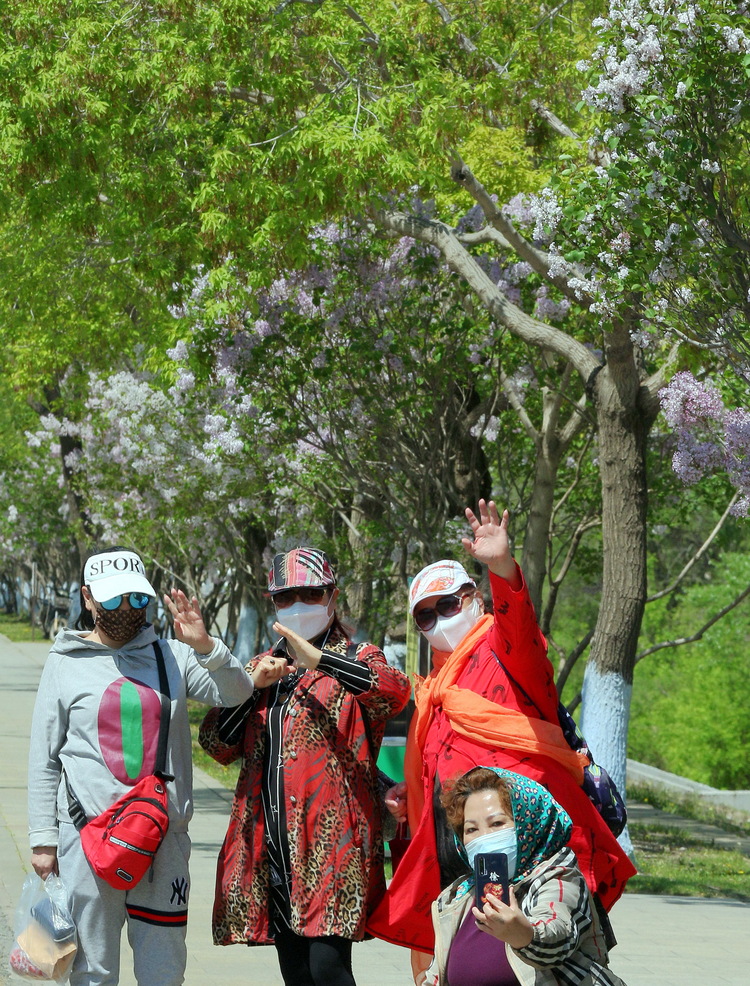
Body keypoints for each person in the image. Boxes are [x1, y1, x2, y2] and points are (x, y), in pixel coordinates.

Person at [367, 499, 635, 977]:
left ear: (474, 598)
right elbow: (440, 769)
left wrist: (502, 568)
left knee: (529, 960)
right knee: (454, 965)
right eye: (425, 617)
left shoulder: (506, 653)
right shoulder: (434, 690)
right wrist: (412, 796)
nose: (439, 620)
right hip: (456, 854)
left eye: (447, 604)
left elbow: (521, 629)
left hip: (524, 849)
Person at [28, 546, 256, 986]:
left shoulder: (172, 655)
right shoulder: (65, 661)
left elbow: (237, 692)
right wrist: (43, 840)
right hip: (87, 839)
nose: (126, 610)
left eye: (136, 598)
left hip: (162, 843)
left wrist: (206, 646)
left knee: (163, 970)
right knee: (91, 970)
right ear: (88, 598)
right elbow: (44, 756)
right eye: (112, 600)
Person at [198, 546, 411, 986]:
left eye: (311, 594)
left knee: (328, 968)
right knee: (296, 971)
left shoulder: (360, 655)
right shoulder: (261, 666)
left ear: (332, 597)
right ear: (271, 602)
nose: (298, 606)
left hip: (333, 842)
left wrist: (322, 662)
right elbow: (216, 743)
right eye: (285, 597)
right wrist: (248, 688)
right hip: (270, 843)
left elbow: (392, 692)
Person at [421, 766, 628, 986]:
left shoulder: (558, 877)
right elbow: (437, 975)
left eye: (497, 824)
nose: (484, 838)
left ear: (529, 825)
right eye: (471, 829)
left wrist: (522, 934)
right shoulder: (456, 898)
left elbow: (557, 935)